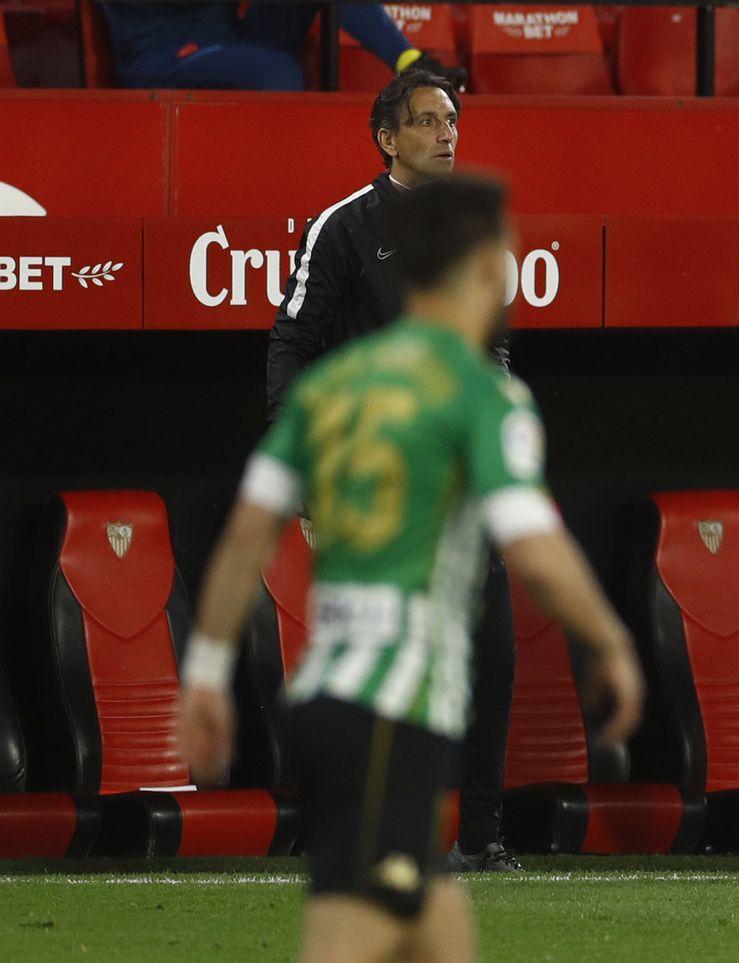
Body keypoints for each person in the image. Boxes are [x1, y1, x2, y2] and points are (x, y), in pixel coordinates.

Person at [178, 177, 644, 963]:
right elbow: (534, 546)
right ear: (484, 265)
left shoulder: (328, 388)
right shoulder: (480, 395)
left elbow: (244, 541)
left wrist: (207, 671)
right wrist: (611, 643)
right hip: (392, 704)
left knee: (436, 928)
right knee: (350, 936)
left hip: (335, 695)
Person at [266, 70, 520, 872]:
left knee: (492, 658)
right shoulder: (343, 229)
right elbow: (290, 345)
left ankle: (480, 837)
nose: (448, 132)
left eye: (452, 119)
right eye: (428, 121)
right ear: (388, 138)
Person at [103, 2, 464, 92]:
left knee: (272, 65)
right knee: (277, 70)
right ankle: (282, 182)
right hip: (161, 53)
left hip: (230, 41)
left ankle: (412, 63)